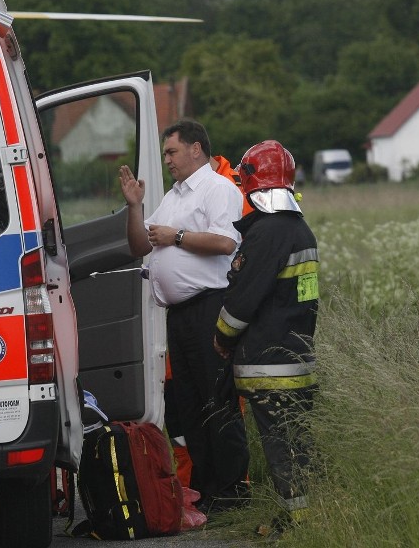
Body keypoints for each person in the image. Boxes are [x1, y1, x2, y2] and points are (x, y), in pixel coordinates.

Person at [119, 119, 250, 513]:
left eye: (172, 152)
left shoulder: (217, 188)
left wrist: (176, 237)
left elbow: (226, 240)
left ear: (196, 149)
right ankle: (206, 490)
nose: (167, 160)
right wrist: (135, 206)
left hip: (210, 307)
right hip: (180, 315)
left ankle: (232, 490)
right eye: (165, 154)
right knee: (191, 403)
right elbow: (139, 245)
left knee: (218, 400)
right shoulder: (174, 196)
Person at [213, 139, 320, 539]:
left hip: (267, 363)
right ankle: (306, 517)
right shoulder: (300, 230)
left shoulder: (266, 233)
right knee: (299, 442)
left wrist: (222, 337)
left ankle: (298, 526)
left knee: (279, 446)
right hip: (299, 356)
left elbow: (243, 299)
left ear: (251, 184)